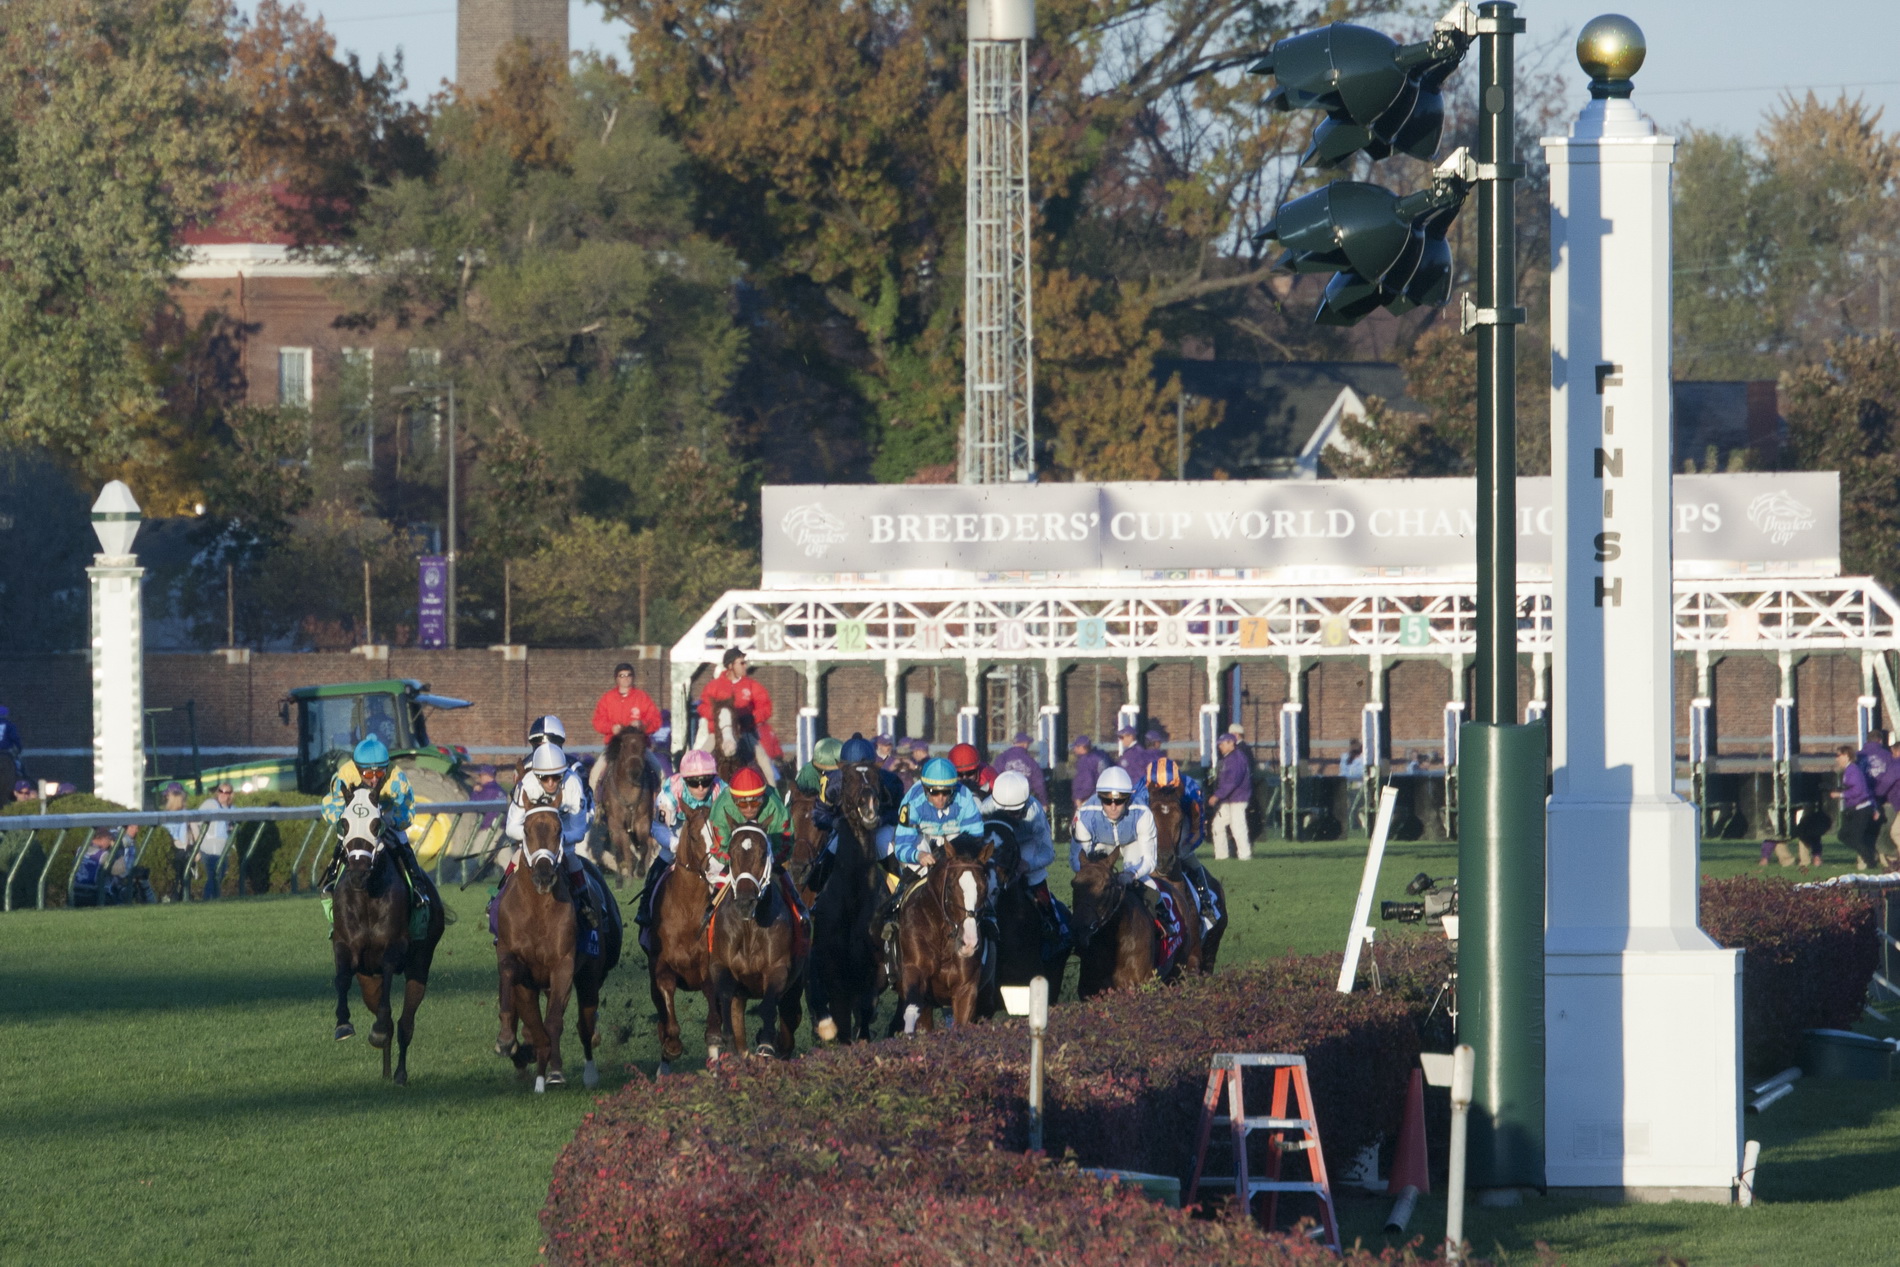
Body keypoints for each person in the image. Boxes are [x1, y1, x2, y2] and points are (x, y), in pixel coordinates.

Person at [882, 756, 985, 941]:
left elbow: (975, 836)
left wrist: (949, 851)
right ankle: (895, 907)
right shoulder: (911, 802)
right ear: (924, 788)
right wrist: (918, 855)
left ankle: (989, 913)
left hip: (955, 839)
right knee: (916, 867)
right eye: (934, 792)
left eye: (946, 792)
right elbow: (902, 846)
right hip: (922, 839)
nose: (941, 798)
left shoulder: (964, 796)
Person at [319, 735, 431, 904]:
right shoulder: (345, 775)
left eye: (379, 773)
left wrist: (390, 821)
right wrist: (346, 820)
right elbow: (333, 807)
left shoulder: (396, 778)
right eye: (368, 773)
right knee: (343, 837)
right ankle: (332, 878)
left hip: (385, 814)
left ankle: (418, 886)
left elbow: (406, 810)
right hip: (356, 816)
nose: (374, 779)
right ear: (357, 769)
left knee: (401, 838)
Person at [503, 742, 603, 928]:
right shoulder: (526, 784)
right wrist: (533, 836)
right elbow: (511, 827)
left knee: (571, 858)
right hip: (533, 839)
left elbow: (579, 830)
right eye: (544, 778)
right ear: (536, 776)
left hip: (561, 837)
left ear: (563, 774)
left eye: (556, 777)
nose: (550, 783)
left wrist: (557, 837)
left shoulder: (572, 783)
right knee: (517, 857)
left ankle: (586, 902)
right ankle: (498, 896)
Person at [1071, 766, 1175, 934]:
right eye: (1107, 801)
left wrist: (1132, 874)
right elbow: (1076, 859)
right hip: (1100, 844)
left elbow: (1149, 860)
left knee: (1142, 879)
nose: (1113, 807)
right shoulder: (1084, 815)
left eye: (1119, 801)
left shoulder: (1143, 813)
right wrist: (1097, 873)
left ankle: (1164, 918)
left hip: (1131, 842)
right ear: (1099, 797)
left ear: (1128, 799)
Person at [638, 749, 726, 927]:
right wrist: (675, 845)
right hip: (678, 834)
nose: (700, 788)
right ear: (684, 780)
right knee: (660, 863)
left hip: (712, 839)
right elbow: (658, 827)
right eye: (694, 782)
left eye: (706, 781)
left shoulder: (722, 791)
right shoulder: (672, 791)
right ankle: (645, 906)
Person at [981, 769, 1065, 946]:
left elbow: (1048, 853)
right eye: (1006, 812)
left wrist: (1028, 865)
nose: (1012, 817)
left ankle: (1052, 922)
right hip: (1000, 850)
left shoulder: (1035, 812)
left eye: (1017, 812)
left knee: (1034, 876)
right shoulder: (984, 809)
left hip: (1025, 847)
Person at [1148, 758, 1220, 931]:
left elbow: (1197, 827)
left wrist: (1185, 847)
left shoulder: (1191, 790)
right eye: (1159, 789)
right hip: (1149, 828)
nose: (1164, 792)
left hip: (1180, 824)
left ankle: (1206, 903)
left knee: (1190, 860)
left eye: (1169, 788)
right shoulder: (1140, 791)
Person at [695, 648, 783, 787]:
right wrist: (719, 715)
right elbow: (702, 706)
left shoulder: (752, 685)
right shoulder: (714, 686)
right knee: (697, 762)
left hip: (745, 733)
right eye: (741, 663)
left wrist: (751, 717)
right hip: (717, 734)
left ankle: (774, 793)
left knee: (764, 762)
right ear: (730, 666)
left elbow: (766, 707)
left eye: (744, 663)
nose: (745, 666)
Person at [590, 665, 665, 796]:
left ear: (633, 677)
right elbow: (597, 721)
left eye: (628, 675)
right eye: (622, 676)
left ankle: (662, 802)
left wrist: (642, 724)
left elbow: (656, 720)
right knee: (595, 774)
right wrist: (611, 728)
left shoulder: (642, 697)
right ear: (616, 679)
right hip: (615, 746)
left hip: (638, 747)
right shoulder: (607, 698)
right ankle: (595, 804)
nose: (625, 678)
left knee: (661, 773)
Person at [706, 767, 792, 879]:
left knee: (785, 879)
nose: (749, 808)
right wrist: (741, 861)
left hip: (764, 858)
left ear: (763, 798)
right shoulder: (721, 811)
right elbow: (719, 849)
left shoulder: (776, 808)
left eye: (755, 803)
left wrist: (762, 860)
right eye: (742, 804)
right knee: (717, 882)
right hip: (734, 860)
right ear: (734, 801)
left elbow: (785, 846)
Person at [1207, 728, 1254, 861]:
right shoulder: (1229, 758)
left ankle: (1245, 855)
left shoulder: (1236, 759)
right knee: (1218, 825)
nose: (1220, 746)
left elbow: (1232, 781)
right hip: (1229, 799)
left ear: (1231, 743)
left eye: (1222, 744)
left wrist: (1217, 795)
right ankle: (1221, 856)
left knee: (1238, 827)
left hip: (1237, 799)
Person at [185, 782, 237, 900]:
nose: (223, 794)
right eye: (220, 791)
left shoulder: (232, 809)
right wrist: (197, 842)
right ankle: (208, 900)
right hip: (209, 849)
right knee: (214, 876)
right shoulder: (210, 804)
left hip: (224, 851)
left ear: (231, 794)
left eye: (226, 792)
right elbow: (194, 820)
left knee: (219, 876)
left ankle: (212, 900)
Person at [1835, 744, 1882, 871]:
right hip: (1854, 809)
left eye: (1838, 755)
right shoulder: (1849, 770)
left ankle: (1871, 862)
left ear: (1846, 756)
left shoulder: (1853, 770)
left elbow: (1859, 791)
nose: (1836, 759)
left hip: (1862, 808)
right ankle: (1869, 856)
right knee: (1843, 835)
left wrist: (1841, 794)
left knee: (1855, 838)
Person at [993, 731, 1049, 808]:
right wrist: (1043, 802)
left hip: (1003, 799)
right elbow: (1039, 784)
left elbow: (995, 778)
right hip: (1024, 801)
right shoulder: (1031, 761)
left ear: (1014, 743)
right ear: (1025, 744)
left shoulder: (1001, 758)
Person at [1070, 735, 1107, 812]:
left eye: (1076, 747)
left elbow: (1088, 782)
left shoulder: (1085, 761)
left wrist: (1079, 797)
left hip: (1089, 799)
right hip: (1102, 796)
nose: (1074, 749)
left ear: (1082, 747)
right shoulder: (1099, 756)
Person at [470, 763, 508, 830]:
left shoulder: (487, 790)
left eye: (480, 775)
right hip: (503, 827)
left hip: (489, 828)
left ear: (486, 775)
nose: (479, 778)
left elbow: (473, 806)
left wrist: (475, 792)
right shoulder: (501, 790)